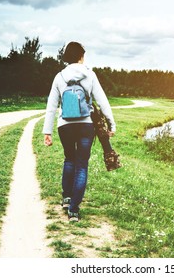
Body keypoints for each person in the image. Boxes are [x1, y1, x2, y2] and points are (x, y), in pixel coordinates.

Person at [42, 41, 116, 222]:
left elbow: (51, 106)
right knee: (82, 165)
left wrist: (47, 132)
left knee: (69, 159)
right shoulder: (90, 75)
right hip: (85, 125)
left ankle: (67, 198)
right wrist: (111, 124)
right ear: (81, 56)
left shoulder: (59, 77)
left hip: (64, 126)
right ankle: (73, 210)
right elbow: (102, 102)